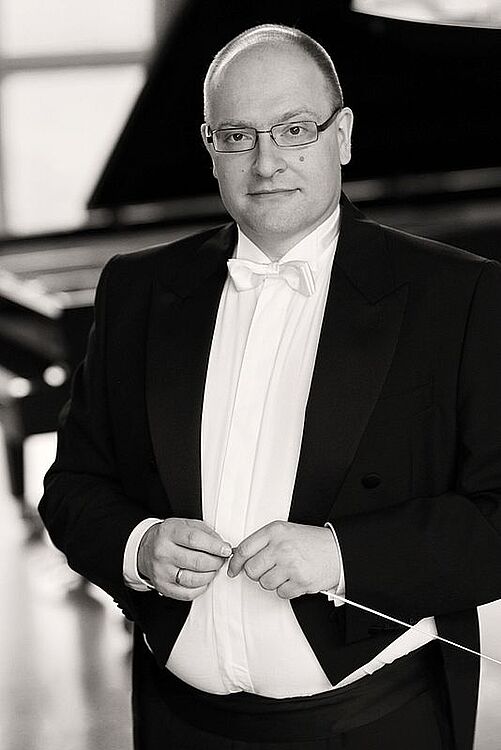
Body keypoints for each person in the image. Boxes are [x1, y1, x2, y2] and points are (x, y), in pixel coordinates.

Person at [39, 23, 501, 750]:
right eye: (237, 136)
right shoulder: (137, 289)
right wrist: (138, 545)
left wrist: (340, 556)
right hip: (175, 722)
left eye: (293, 129)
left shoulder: (462, 296)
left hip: (375, 724)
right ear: (210, 147)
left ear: (341, 136)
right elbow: (72, 485)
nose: (266, 162)